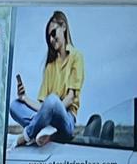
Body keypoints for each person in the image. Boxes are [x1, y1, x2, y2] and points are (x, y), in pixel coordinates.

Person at [9, 9, 83, 149]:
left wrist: (50, 111)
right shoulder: (50, 66)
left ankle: (27, 135)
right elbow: (43, 107)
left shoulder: (76, 57)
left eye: (53, 33)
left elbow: (70, 98)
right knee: (14, 106)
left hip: (66, 120)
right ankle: (44, 129)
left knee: (53, 100)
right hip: (47, 117)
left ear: (64, 27)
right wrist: (24, 98)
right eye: (49, 37)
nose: (51, 39)